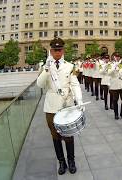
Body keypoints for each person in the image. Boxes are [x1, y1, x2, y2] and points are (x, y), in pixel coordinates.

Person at [37, 38, 83, 175]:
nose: (57, 52)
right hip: (51, 107)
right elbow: (39, 84)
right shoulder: (45, 66)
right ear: (51, 51)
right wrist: (46, 69)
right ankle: (61, 162)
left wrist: (79, 99)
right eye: (55, 50)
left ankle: (71, 161)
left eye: (60, 50)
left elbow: (74, 84)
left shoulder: (70, 66)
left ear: (63, 50)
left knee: (69, 135)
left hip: (67, 106)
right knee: (55, 136)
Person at [108, 53, 122, 119]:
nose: (117, 57)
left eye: (118, 56)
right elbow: (109, 73)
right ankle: (116, 114)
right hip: (114, 85)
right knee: (115, 100)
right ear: (113, 57)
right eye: (116, 56)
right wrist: (114, 67)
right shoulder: (110, 64)